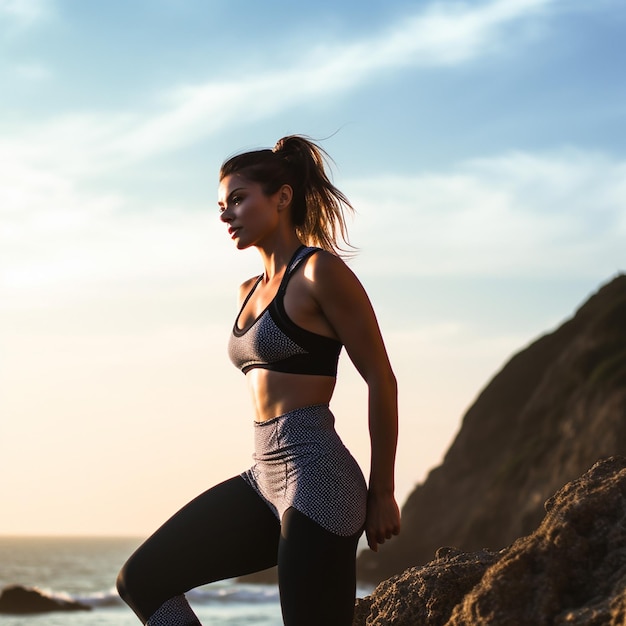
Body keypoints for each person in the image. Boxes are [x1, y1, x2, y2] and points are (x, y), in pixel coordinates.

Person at [116, 135, 400, 626]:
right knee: (141, 580)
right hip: (262, 476)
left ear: (282, 197)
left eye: (239, 200)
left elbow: (380, 377)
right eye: (222, 206)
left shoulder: (318, 273)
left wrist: (382, 491)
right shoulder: (248, 291)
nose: (227, 215)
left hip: (318, 477)